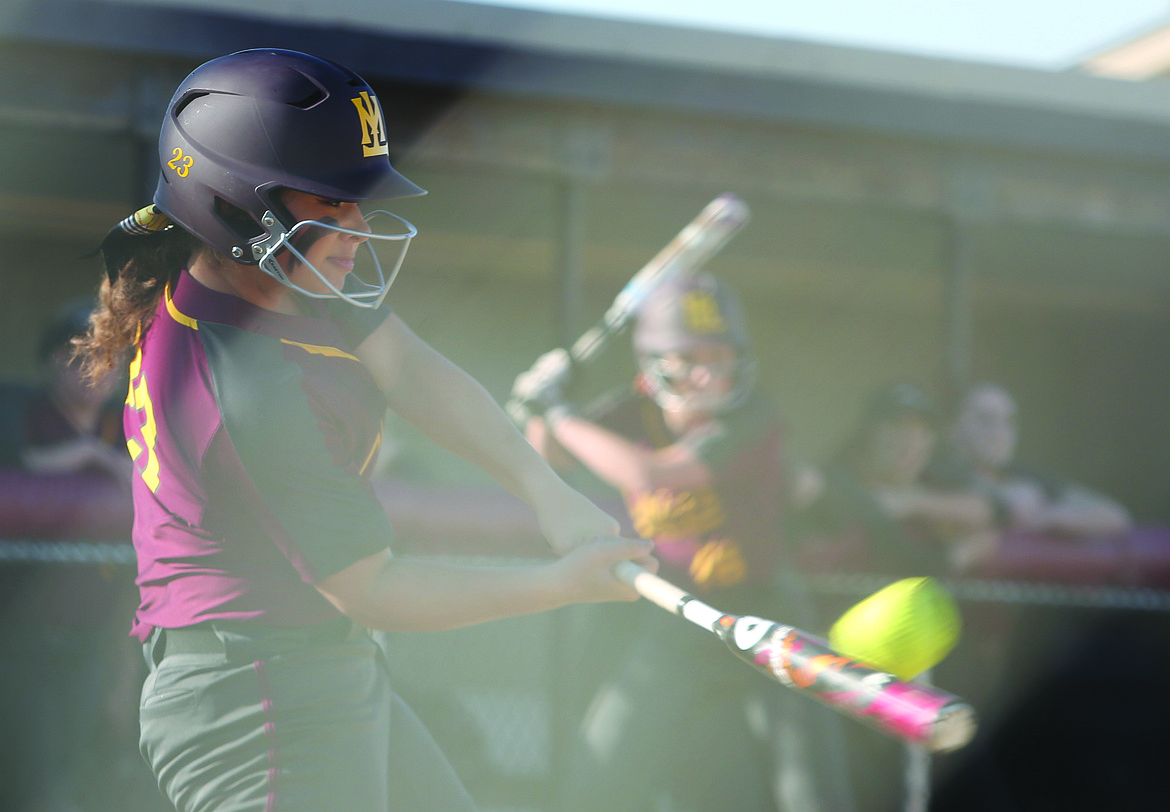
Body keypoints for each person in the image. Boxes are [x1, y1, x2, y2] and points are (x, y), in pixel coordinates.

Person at [72, 48, 656, 812]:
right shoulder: (247, 383)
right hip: (257, 706)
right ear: (239, 208)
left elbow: (409, 369)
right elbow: (375, 588)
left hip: (320, 667)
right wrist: (556, 587)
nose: (358, 227)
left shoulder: (278, 276)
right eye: (332, 203)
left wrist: (544, 491)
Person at [512, 272, 851, 812]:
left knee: (810, 792)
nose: (710, 374)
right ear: (653, 367)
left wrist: (558, 413)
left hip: (767, 612)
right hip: (682, 617)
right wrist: (542, 399)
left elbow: (652, 475)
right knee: (604, 775)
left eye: (721, 356)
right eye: (692, 357)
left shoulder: (751, 416)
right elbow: (547, 454)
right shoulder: (631, 408)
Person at [0, 299, 146, 812]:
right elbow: (24, 466)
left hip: (97, 629)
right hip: (21, 630)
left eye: (110, 357)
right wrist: (86, 459)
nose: (96, 370)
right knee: (33, 765)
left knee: (89, 756)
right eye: (80, 355)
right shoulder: (18, 411)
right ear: (51, 362)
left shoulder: (126, 426)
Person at [798, 381, 999, 578]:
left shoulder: (928, 474)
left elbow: (989, 509)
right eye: (898, 427)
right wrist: (964, 554)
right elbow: (914, 566)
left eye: (923, 430)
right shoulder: (835, 482)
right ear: (869, 432)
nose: (912, 442)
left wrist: (911, 502)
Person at [943, 381, 1132, 539]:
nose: (999, 433)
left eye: (1009, 421)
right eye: (985, 419)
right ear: (952, 428)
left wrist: (1046, 517)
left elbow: (1114, 516)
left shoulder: (1027, 477)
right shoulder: (934, 474)